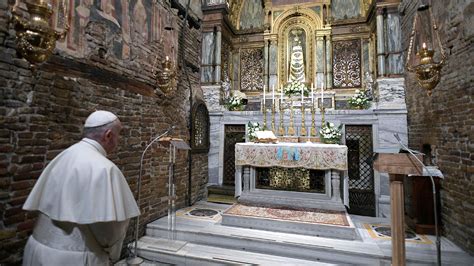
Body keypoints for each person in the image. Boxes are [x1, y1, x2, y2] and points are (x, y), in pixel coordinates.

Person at [22, 110, 140, 266]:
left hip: (37, 248)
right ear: (108, 135)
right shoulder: (104, 169)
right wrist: (113, 251)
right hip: (75, 257)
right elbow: (109, 227)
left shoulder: (63, 156)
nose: (117, 142)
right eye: (118, 136)